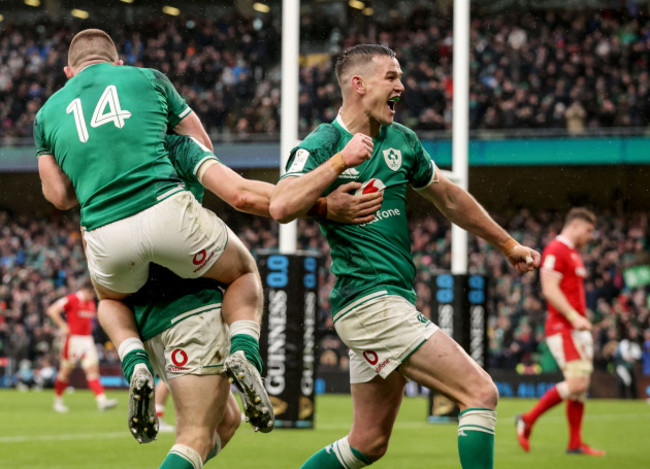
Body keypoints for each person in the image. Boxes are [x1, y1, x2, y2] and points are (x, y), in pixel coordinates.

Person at [269, 44, 540, 469]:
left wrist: (507, 244)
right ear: (359, 85)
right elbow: (281, 206)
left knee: (368, 443)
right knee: (481, 392)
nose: (402, 85)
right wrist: (340, 162)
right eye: (392, 76)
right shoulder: (325, 141)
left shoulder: (402, 141)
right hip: (369, 300)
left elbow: (449, 197)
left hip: (387, 300)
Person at [33, 28, 272, 439]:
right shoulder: (147, 77)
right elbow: (199, 140)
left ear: (69, 71)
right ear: (117, 62)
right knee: (243, 272)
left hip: (106, 231)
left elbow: (57, 196)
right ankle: (244, 351)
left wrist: (94, 173)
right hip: (166, 210)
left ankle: (134, 363)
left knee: (109, 300)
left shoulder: (46, 115)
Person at [515, 208, 606, 456]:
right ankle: (527, 419)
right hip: (563, 327)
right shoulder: (556, 249)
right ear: (575, 226)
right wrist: (574, 317)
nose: (590, 236)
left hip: (574, 327)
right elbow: (549, 288)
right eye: (588, 230)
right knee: (577, 383)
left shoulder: (573, 253)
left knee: (581, 387)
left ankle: (575, 443)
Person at [47, 280, 118, 413]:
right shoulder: (72, 299)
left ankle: (102, 401)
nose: (93, 296)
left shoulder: (91, 302)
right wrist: (63, 326)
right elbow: (52, 310)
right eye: (92, 293)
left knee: (92, 370)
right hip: (73, 340)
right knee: (65, 372)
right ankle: (58, 401)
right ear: (86, 290)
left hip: (87, 340)